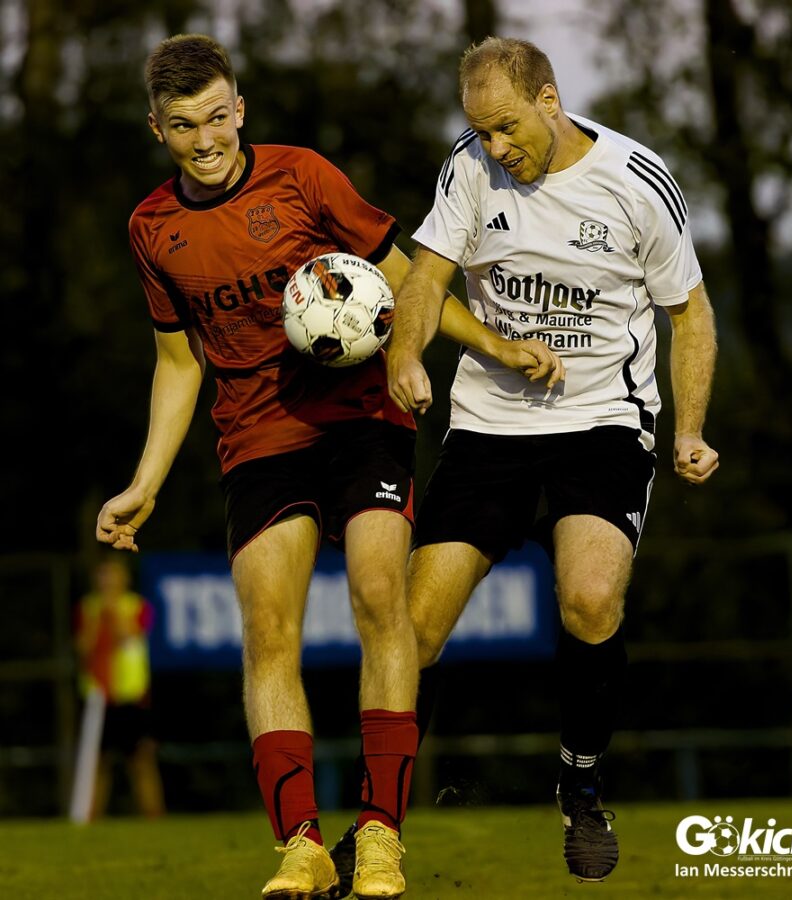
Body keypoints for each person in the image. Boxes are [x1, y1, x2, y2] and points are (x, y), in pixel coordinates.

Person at [95, 33, 558, 900]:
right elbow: (178, 362)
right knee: (269, 630)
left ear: (241, 110)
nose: (206, 140)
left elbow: (407, 277)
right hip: (257, 441)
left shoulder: (304, 176)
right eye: (184, 125)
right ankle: (301, 846)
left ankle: (380, 836)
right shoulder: (152, 229)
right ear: (157, 129)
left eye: (218, 117)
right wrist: (144, 483)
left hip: (362, 420)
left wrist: (493, 344)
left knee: (381, 596)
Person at [387, 37, 719, 884]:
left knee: (591, 597)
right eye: (481, 131)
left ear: (548, 99)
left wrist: (688, 429)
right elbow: (425, 277)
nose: (496, 147)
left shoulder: (637, 181)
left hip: (604, 419)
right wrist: (406, 354)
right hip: (490, 426)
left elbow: (690, 313)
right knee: (412, 629)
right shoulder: (468, 168)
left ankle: (581, 783)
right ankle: (378, 822)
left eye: (506, 127)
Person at [74, 556, 166, 819]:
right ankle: (89, 817)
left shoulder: (138, 606)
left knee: (140, 758)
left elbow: (128, 633)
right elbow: (83, 646)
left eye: (113, 575)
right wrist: (97, 618)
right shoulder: (87, 608)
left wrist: (112, 610)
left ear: (124, 578)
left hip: (130, 694)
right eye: (103, 575)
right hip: (97, 696)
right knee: (97, 760)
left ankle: (154, 816)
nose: (108, 581)